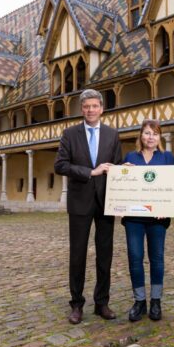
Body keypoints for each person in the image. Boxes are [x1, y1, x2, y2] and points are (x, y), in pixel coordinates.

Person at [54, 89, 122, 324]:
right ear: (82, 109)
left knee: (105, 255)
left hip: (106, 201)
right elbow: (60, 165)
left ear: (102, 108)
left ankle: (102, 303)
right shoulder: (70, 134)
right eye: (86, 106)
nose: (91, 110)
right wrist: (89, 172)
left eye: (95, 106)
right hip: (80, 201)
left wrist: (126, 170)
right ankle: (77, 304)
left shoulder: (113, 135)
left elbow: (117, 165)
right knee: (78, 254)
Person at [122, 119, 174, 322]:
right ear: (140, 136)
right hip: (134, 217)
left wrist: (167, 207)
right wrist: (123, 171)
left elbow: (173, 186)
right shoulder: (130, 157)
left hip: (157, 218)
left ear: (159, 137)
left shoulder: (167, 157)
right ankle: (139, 301)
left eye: (154, 133)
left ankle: (155, 301)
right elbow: (122, 185)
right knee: (135, 258)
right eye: (146, 133)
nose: (150, 137)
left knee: (157, 259)